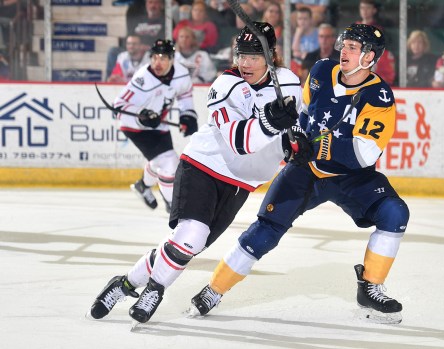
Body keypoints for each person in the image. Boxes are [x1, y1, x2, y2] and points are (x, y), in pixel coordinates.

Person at [188, 23, 409, 325]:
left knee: (395, 213)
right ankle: (214, 288)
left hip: (351, 177)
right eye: (343, 45)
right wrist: (295, 135)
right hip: (305, 169)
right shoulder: (320, 71)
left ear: (370, 57)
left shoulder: (379, 97)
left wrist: (321, 146)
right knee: (265, 230)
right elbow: (302, 111)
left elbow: (364, 153)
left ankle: (370, 287)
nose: (344, 51)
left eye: (353, 48)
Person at [88, 22, 304, 325]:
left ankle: (124, 284)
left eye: (254, 56)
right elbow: (240, 142)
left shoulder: (289, 81)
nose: (245, 64)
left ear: (271, 56)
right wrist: (270, 123)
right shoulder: (224, 86)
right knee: (191, 236)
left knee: (186, 245)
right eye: (240, 55)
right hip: (204, 166)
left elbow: (297, 126)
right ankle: (155, 289)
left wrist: (296, 141)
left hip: (242, 183)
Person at [111, 39, 197, 213]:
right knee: (169, 162)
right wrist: (142, 118)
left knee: (158, 160)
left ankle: (142, 186)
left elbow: (185, 95)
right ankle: (173, 206)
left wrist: (187, 116)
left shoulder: (181, 74)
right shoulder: (143, 79)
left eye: (163, 58)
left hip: (159, 126)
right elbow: (118, 107)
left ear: (172, 59)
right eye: (154, 57)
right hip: (135, 128)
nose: (157, 62)